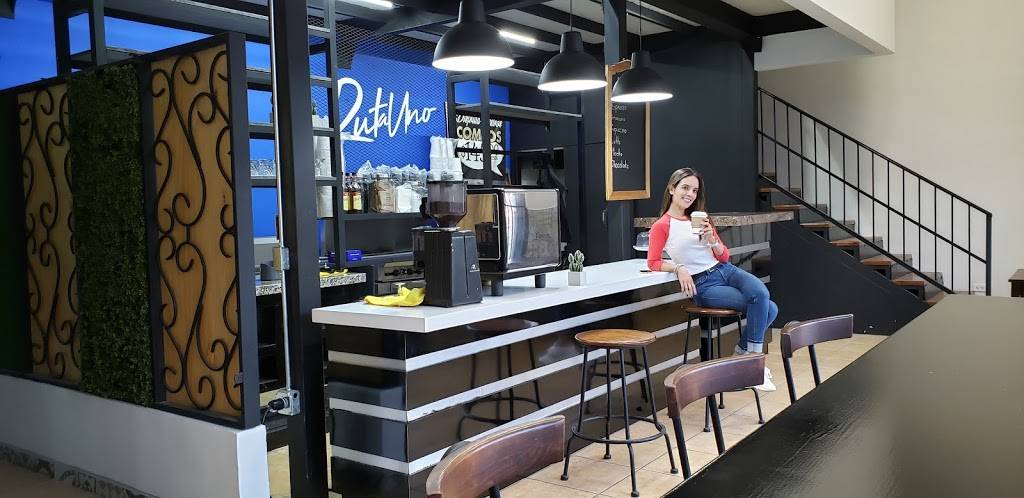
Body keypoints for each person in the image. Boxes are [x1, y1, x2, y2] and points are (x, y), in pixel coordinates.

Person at [646, 168, 778, 391]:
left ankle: (744, 360)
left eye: (694, 190)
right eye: (685, 188)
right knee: (769, 308)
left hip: (725, 270)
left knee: (763, 296)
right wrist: (678, 268)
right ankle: (753, 367)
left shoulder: (701, 219)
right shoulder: (662, 225)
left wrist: (712, 240)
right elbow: (653, 262)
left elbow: (724, 256)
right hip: (704, 284)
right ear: (671, 189)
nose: (690, 194)